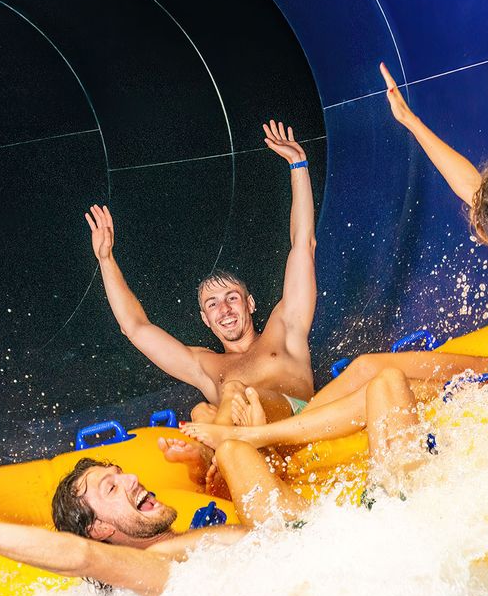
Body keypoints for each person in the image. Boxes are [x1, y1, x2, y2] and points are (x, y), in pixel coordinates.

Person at [180, 64, 488, 457]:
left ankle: (266, 437)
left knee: (386, 387)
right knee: (367, 364)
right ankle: (299, 420)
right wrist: (410, 122)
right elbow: (472, 186)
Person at [0, 365, 426, 596]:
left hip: (348, 536)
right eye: (110, 488)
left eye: (119, 473)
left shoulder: (198, 536)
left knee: (388, 384)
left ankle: (259, 441)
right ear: (101, 529)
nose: (128, 480)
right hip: (353, 570)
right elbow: (76, 557)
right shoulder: (156, 570)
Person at [87, 120, 318, 427]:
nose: (223, 309)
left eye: (231, 298)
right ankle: (208, 456)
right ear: (205, 319)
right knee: (202, 411)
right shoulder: (204, 365)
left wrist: (298, 164)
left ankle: (214, 446)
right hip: (243, 443)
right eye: (212, 305)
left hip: (297, 422)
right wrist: (105, 259)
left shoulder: (285, 325)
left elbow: (302, 244)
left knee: (231, 396)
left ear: (250, 304)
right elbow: (135, 327)